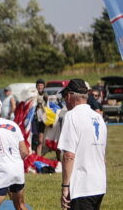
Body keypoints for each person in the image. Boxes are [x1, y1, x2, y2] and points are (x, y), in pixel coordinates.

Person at [58, 79, 107, 210]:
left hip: (82, 185)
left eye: (64, 97)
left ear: (69, 96)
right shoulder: (98, 117)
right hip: (99, 183)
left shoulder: (71, 116)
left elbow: (69, 155)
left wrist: (65, 186)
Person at [32, 79, 49, 155]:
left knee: (41, 139)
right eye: (38, 85)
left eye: (41, 85)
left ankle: (39, 155)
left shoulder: (46, 95)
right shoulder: (34, 95)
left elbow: (48, 107)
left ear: (44, 86)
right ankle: (34, 153)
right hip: (34, 119)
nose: (40, 87)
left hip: (42, 118)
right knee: (35, 138)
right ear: (36, 86)